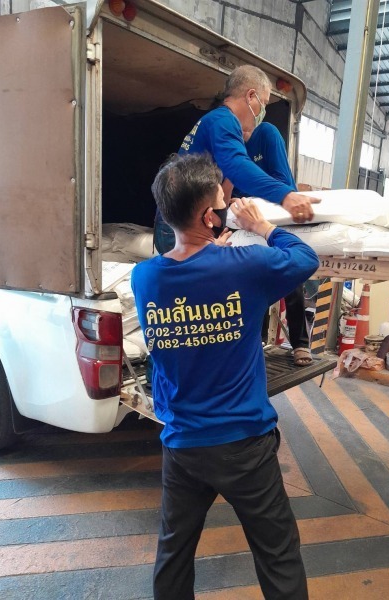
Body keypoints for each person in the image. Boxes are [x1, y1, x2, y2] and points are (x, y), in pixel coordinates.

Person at [132, 153, 319, 599]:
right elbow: (304, 257)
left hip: (182, 443)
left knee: (174, 553)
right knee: (278, 554)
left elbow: (196, 274)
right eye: (223, 201)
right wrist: (261, 226)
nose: (228, 205)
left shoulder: (145, 278)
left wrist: (216, 244)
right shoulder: (246, 266)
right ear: (209, 216)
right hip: (244, 444)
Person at [153, 64, 320, 366]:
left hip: (191, 221)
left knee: (187, 300)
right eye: (264, 104)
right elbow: (235, 165)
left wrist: (218, 222)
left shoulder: (219, 125)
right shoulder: (222, 121)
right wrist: (285, 195)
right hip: (180, 223)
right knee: (185, 303)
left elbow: (224, 181)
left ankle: (192, 364)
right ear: (251, 96)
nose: (262, 112)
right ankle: (182, 363)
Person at [237, 121, 313, 365]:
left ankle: (300, 343)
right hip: (247, 225)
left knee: (292, 281)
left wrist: (254, 200)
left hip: (276, 218)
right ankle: (255, 342)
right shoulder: (231, 146)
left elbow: (284, 182)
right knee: (252, 282)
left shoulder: (266, 134)